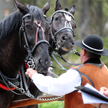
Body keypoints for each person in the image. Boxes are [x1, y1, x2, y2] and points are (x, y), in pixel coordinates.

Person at [25, 34, 108, 108]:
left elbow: (53, 87)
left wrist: (34, 75)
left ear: (83, 52)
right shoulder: (105, 69)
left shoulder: (77, 73)